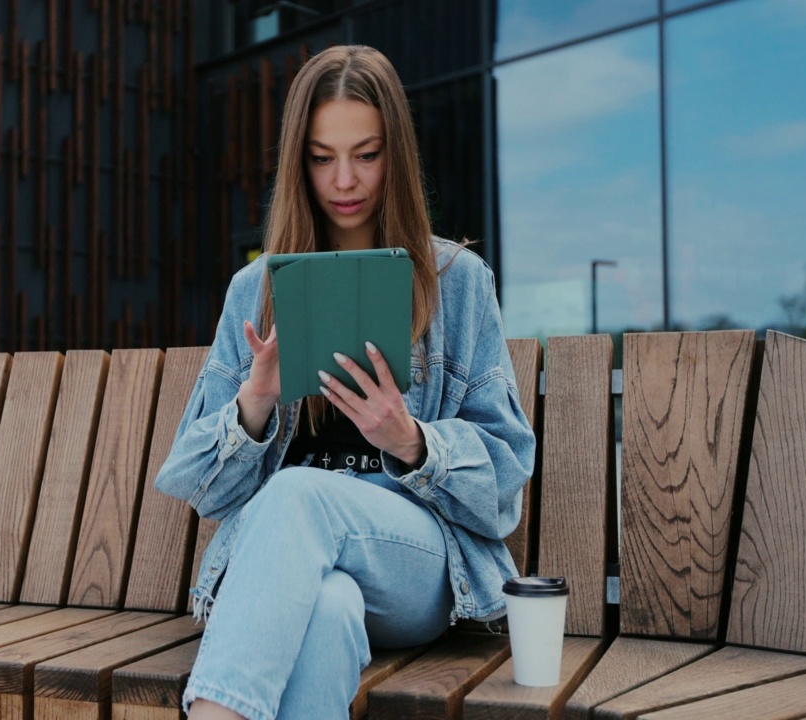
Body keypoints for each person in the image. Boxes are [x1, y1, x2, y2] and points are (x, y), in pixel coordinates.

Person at [154, 44, 536, 720]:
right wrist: (257, 401)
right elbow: (199, 487)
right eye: (323, 157)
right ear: (299, 161)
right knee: (327, 610)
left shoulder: (457, 282)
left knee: (303, 493)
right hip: (294, 576)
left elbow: (505, 479)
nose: (345, 180)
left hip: (413, 564)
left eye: (367, 153)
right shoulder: (257, 288)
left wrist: (411, 439)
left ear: (398, 155)